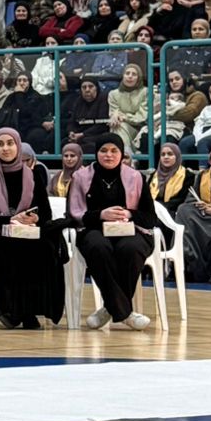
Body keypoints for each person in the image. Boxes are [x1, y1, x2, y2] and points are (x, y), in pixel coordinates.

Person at [0, 127, 66, 328]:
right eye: (0, 144)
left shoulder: (32, 176)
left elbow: (46, 213)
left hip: (28, 232)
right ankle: (23, 313)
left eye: (10, 143)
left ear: (18, 146)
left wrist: (34, 218)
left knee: (44, 249)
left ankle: (24, 311)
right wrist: (10, 220)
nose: (5, 148)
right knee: (15, 250)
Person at [70, 137, 159, 328]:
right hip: (94, 230)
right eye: (103, 150)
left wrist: (129, 213)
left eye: (114, 151)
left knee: (131, 248)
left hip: (130, 229)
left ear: (121, 153)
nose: (108, 155)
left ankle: (110, 308)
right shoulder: (80, 177)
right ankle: (125, 312)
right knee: (98, 246)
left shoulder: (136, 177)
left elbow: (150, 217)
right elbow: (73, 215)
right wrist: (101, 215)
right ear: (96, 153)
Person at [179, 142, 211, 282]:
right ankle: (186, 256)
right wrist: (199, 204)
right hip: (202, 215)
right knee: (183, 210)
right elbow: (191, 197)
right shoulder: (203, 175)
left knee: (189, 222)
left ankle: (192, 264)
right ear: (210, 159)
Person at [108, 62, 151, 155]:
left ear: (138, 78)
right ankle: (127, 155)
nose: (130, 76)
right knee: (118, 126)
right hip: (120, 127)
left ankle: (124, 155)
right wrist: (116, 116)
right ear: (123, 76)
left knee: (119, 126)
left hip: (140, 128)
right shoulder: (113, 94)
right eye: (127, 73)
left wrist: (125, 117)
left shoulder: (146, 92)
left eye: (134, 74)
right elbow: (114, 115)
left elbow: (141, 117)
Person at [149, 139, 190, 219]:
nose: (166, 157)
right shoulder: (154, 175)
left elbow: (183, 199)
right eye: (163, 154)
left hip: (173, 212)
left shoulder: (187, 175)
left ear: (177, 157)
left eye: (170, 154)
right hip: (153, 210)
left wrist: (161, 207)